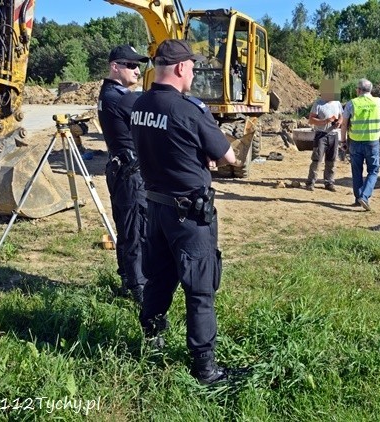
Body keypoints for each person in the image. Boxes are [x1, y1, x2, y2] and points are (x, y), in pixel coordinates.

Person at [131, 39, 238, 385]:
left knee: (159, 278)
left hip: (156, 209)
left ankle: (153, 341)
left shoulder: (139, 105)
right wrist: (204, 156)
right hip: (190, 216)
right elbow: (228, 157)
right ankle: (205, 368)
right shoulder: (189, 109)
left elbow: (165, 147)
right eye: (191, 66)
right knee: (200, 288)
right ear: (180, 68)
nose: (193, 72)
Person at [97, 45, 149, 304]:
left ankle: (129, 278)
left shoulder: (107, 94)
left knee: (127, 228)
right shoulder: (121, 97)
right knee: (137, 229)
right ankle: (139, 289)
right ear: (115, 67)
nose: (137, 71)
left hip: (120, 170)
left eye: (138, 65)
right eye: (131, 65)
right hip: (130, 173)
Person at [341, 78, 380, 211]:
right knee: (373, 170)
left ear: (359, 90)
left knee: (356, 171)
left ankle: (358, 197)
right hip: (372, 142)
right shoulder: (379, 102)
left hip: (355, 142)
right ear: (370, 90)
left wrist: (343, 141)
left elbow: (344, 124)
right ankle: (364, 197)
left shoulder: (351, 103)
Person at [305, 78, 344, 192]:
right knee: (317, 159)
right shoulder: (318, 103)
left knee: (331, 160)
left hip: (333, 135)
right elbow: (311, 120)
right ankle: (311, 182)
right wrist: (325, 121)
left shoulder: (337, 103)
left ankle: (329, 182)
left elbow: (341, 116)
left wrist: (339, 122)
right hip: (321, 135)